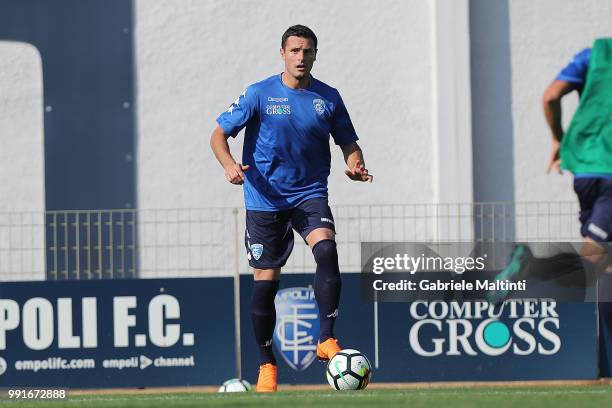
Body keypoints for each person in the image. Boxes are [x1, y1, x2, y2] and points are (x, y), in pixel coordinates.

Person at [210, 25, 373, 392]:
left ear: (315, 55)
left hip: (309, 193)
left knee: (327, 248)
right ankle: (266, 365)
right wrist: (228, 164)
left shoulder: (328, 98)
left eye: (308, 51)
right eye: (295, 50)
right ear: (282, 53)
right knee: (266, 283)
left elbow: (349, 143)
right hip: (264, 200)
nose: (301, 57)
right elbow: (218, 134)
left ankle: (326, 338)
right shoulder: (259, 94)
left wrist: (356, 164)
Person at [488, 38, 612, 304]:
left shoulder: (594, 54)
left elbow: (550, 95)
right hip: (610, 175)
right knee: (594, 258)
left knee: (604, 261)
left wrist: (558, 138)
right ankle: (531, 268)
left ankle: (603, 338)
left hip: (585, 169)